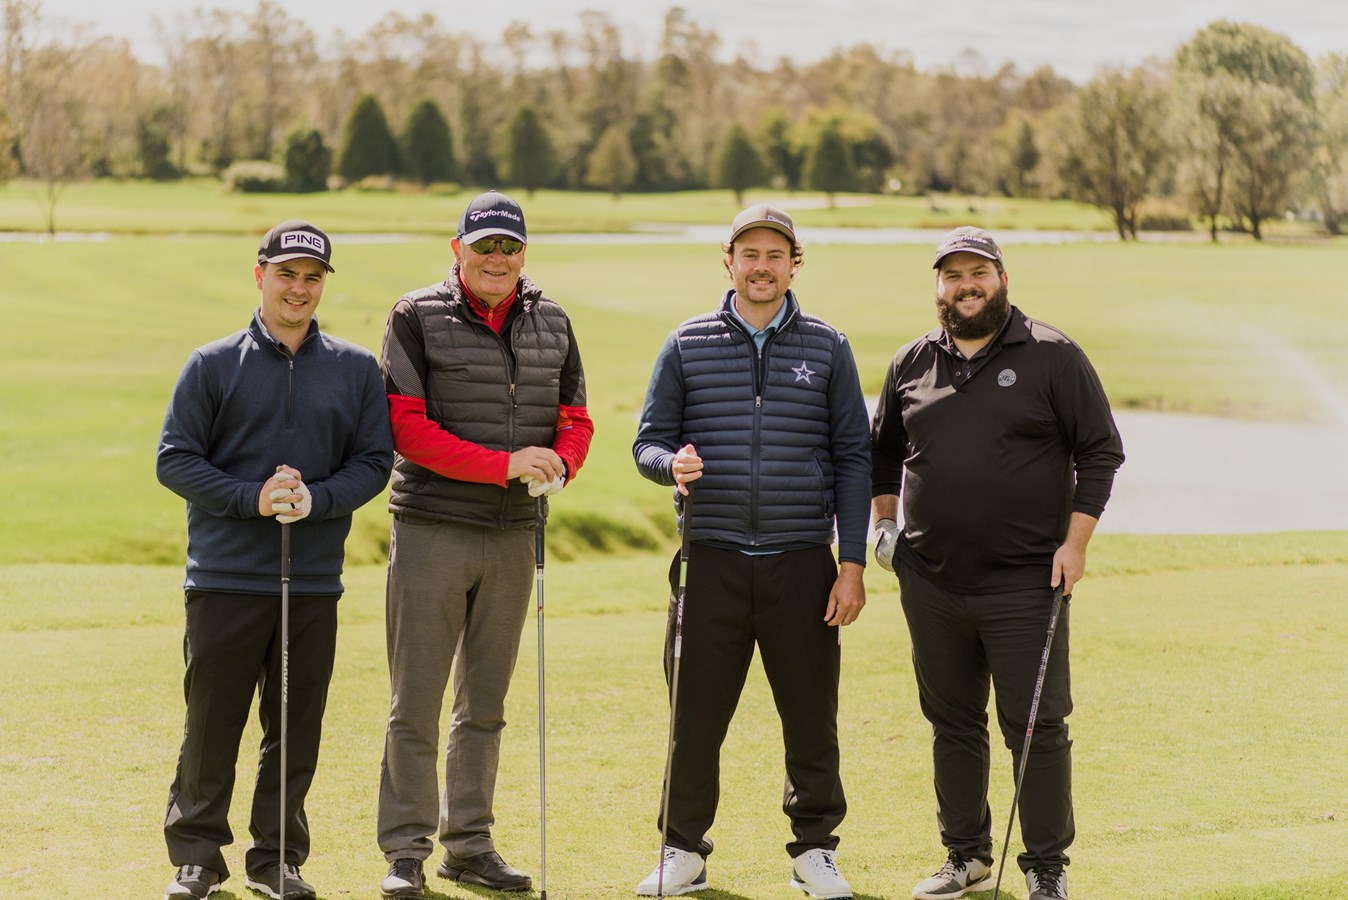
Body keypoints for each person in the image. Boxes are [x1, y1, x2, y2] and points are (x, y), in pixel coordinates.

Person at [870, 227, 1124, 900]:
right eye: (952, 275)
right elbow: (881, 453)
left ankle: (1046, 867)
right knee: (952, 723)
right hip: (929, 579)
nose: (966, 285)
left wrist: (1076, 545)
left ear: (1002, 279)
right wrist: (884, 528)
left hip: (1026, 580)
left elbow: (1100, 452)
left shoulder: (1052, 356)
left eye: (977, 272)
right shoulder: (912, 362)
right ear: (938, 287)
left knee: (1037, 725)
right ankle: (966, 856)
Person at [631, 204, 871, 900]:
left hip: (802, 561)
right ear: (728, 261)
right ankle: (682, 850)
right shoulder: (686, 343)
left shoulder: (828, 346)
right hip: (709, 559)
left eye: (775, 254)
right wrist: (668, 463)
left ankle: (815, 851)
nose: (761, 266)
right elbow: (647, 441)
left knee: (810, 716)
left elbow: (854, 457)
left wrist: (850, 564)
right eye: (749, 253)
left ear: (794, 263)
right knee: (695, 718)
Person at [157, 220, 395, 900]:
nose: (299, 288)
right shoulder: (211, 364)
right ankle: (197, 857)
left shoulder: (353, 370)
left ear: (324, 285)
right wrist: (250, 499)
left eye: (312, 277)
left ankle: (278, 860)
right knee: (212, 725)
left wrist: (316, 501)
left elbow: (374, 462)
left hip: (313, 583)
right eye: (286, 274)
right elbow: (174, 460)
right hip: (225, 578)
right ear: (259, 275)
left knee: (293, 730)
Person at [375, 190, 593, 900]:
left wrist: (561, 461)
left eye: (509, 247)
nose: (496, 258)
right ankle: (405, 852)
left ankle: (468, 846)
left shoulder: (552, 320)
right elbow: (405, 428)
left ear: (523, 253)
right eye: (484, 246)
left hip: (511, 536)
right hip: (434, 526)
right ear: (457, 250)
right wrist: (503, 465)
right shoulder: (415, 317)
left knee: (486, 703)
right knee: (417, 701)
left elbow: (575, 417)